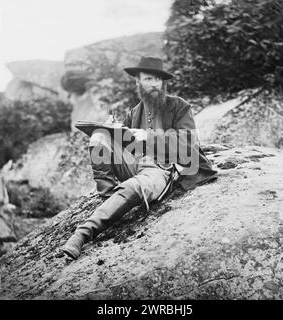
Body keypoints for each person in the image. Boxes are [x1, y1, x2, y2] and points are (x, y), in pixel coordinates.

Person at [62, 56, 218, 259]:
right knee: (99, 136)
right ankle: (109, 198)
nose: (154, 84)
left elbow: (189, 145)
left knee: (133, 186)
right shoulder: (135, 112)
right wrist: (114, 130)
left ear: (163, 83)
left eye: (157, 79)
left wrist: (149, 136)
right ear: (138, 82)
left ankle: (82, 233)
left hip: (161, 170)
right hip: (134, 164)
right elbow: (124, 144)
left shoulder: (179, 106)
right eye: (148, 79)